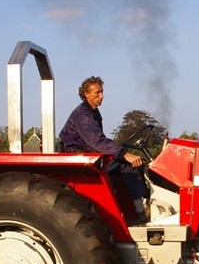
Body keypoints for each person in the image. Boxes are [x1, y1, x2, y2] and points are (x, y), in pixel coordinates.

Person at [58, 76, 149, 223]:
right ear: (86, 94)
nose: (102, 96)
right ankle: (139, 212)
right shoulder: (83, 115)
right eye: (97, 92)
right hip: (79, 154)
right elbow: (97, 141)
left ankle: (130, 210)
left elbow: (99, 139)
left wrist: (121, 151)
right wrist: (124, 154)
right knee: (127, 165)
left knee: (123, 160)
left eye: (102, 92)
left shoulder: (93, 112)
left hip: (88, 151)